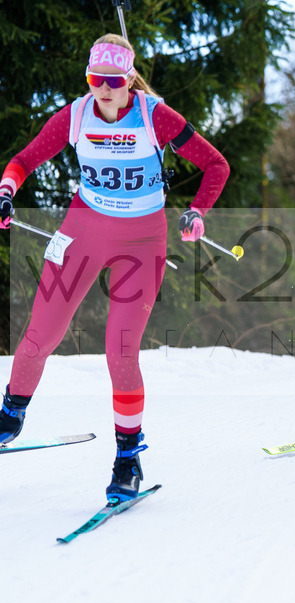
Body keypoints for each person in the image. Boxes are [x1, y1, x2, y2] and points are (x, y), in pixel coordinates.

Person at [0, 34, 229, 501]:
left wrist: (198, 211)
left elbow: (216, 166)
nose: (101, 89)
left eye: (111, 80)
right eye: (93, 79)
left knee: (119, 350)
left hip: (142, 241)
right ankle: (10, 417)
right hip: (83, 228)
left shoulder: (154, 115)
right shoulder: (76, 115)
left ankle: (128, 458)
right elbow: (24, 161)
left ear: (127, 80)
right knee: (38, 336)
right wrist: (6, 192)